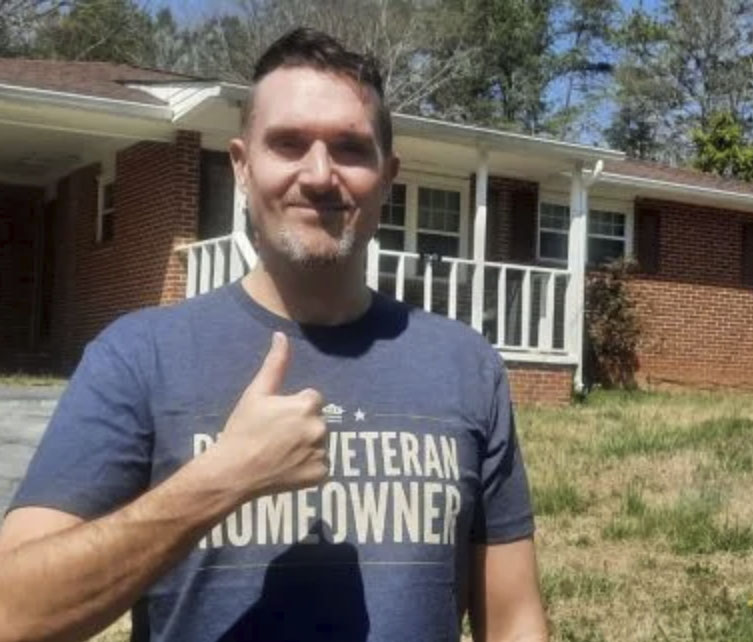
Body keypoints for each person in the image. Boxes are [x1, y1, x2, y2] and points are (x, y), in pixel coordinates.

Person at [0, 27, 548, 642]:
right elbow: (14, 614)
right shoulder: (139, 356)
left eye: (350, 148)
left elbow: (513, 620)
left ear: (388, 176)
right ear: (241, 165)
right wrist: (221, 479)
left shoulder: (464, 365)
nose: (319, 175)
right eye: (288, 144)